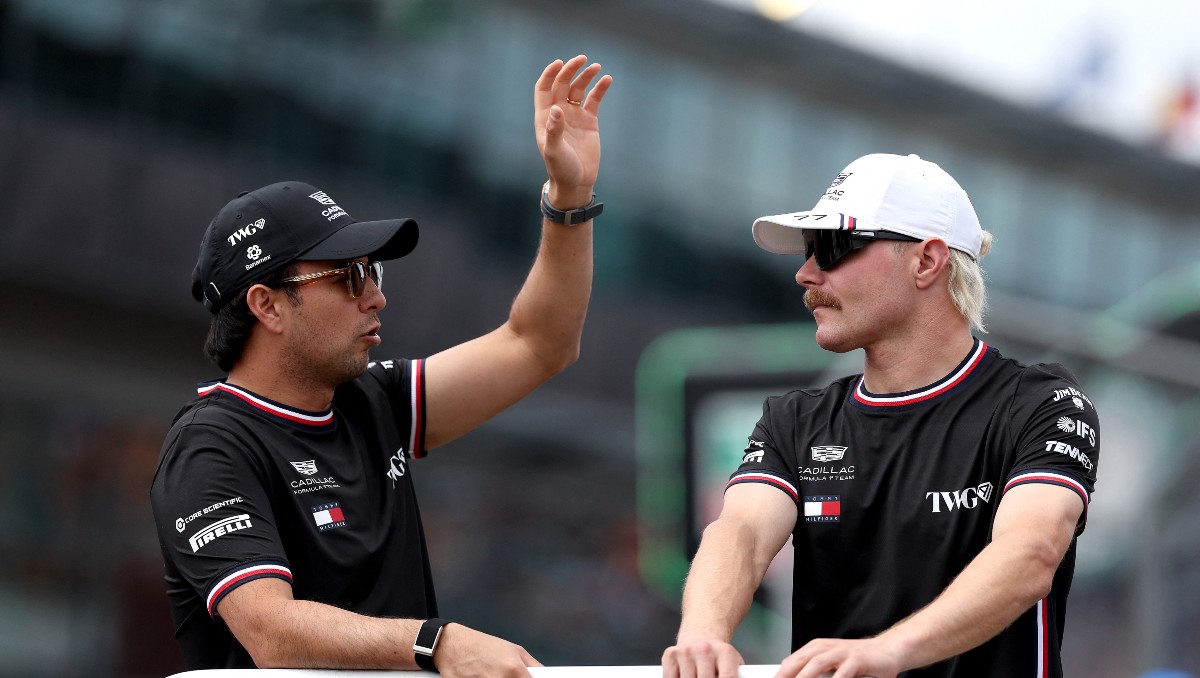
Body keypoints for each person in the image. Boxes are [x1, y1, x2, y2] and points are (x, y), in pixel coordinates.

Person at [150, 55, 612, 675]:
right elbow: (272, 632)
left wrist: (569, 196)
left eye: (373, 272)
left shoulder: (371, 398)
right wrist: (435, 642)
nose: (375, 297)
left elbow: (540, 344)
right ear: (267, 305)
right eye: (348, 277)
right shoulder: (210, 447)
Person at [661, 153, 1099, 678]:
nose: (805, 273)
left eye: (832, 248)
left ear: (927, 262)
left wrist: (888, 652)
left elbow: (1032, 551)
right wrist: (703, 635)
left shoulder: (1041, 403)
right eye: (808, 251)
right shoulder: (795, 420)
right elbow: (742, 533)